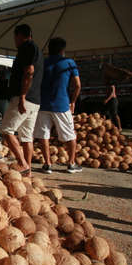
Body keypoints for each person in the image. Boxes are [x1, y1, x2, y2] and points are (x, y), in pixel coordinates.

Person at [0, 24, 44, 177]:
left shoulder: (27, 47)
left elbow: (29, 71)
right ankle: (28, 170)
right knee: (26, 136)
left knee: (6, 130)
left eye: (15, 38)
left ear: (19, 35)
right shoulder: (38, 50)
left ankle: (22, 163)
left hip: (24, 97)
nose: (15, 41)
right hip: (35, 100)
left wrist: (22, 96)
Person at [33, 37, 82, 174]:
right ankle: (71, 164)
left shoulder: (42, 62)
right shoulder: (69, 62)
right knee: (70, 135)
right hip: (61, 104)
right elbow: (77, 85)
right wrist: (73, 102)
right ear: (63, 50)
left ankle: (48, 164)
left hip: (43, 105)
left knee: (43, 135)